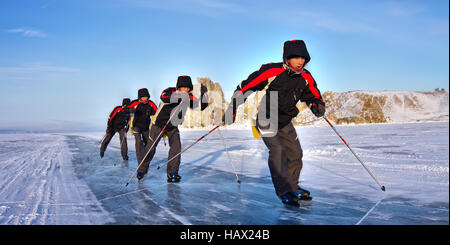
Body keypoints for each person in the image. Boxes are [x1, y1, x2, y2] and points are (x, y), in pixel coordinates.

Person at [224, 40, 326, 206]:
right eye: (296, 57)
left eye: (303, 58)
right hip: (266, 118)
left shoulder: (305, 77)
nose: (300, 61)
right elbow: (246, 87)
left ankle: (293, 186)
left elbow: (313, 94)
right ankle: (284, 190)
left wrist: (317, 104)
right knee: (278, 150)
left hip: (284, 121)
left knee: (295, 153)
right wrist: (232, 108)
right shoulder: (272, 71)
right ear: (287, 58)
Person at [136, 75, 209, 182]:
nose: (185, 90)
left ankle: (172, 172)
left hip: (172, 127)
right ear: (178, 87)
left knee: (176, 148)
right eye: (182, 87)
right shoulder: (169, 91)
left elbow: (202, 106)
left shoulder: (189, 97)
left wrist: (204, 94)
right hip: (158, 125)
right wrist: (180, 96)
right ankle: (142, 169)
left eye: (187, 88)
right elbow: (164, 97)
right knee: (150, 149)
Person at [127, 88, 158, 169]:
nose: (145, 99)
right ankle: (140, 162)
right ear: (140, 97)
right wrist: (131, 110)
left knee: (148, 144)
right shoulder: (134, 103)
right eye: (143, 97)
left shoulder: (150, 103)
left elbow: (157, 112)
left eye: (146, 97)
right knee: (138, 142)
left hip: (146, 127)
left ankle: (145, 160)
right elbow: (125, 110)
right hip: (136, 126)